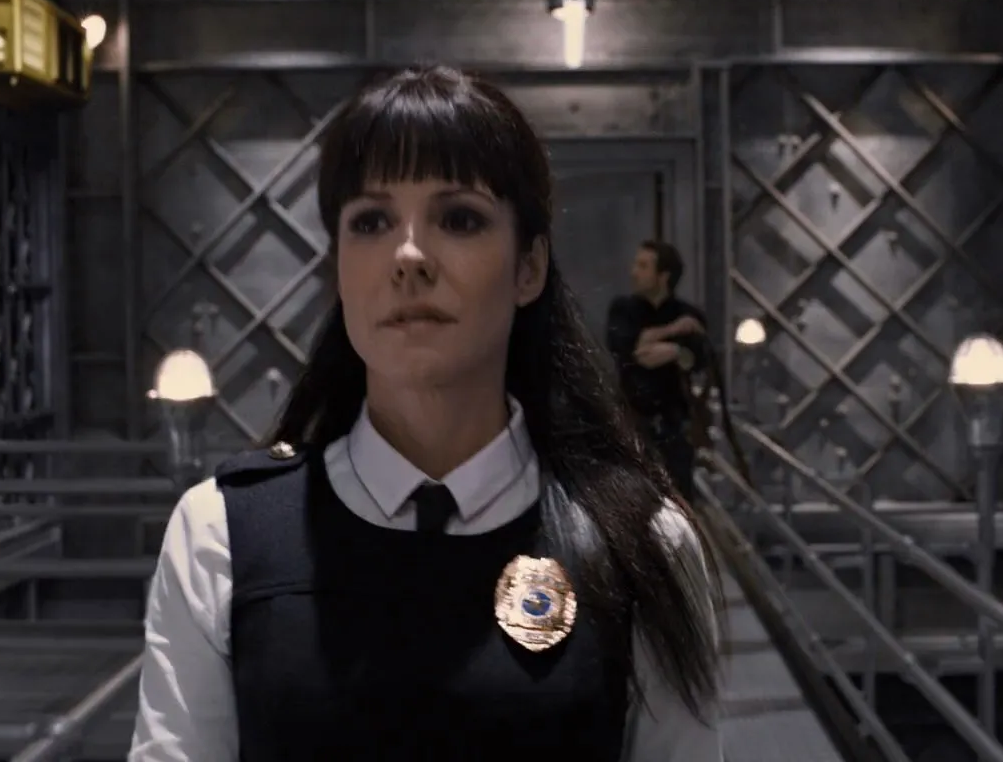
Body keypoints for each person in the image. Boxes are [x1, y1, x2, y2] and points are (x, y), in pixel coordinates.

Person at [131, 67, 724, 761]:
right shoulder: (223, 537)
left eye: (459, 219)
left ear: (529, 267)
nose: (408, 256)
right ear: (339, 265)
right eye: (371, 222)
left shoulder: (643, 545)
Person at [606, 240, 711, 496]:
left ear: (663, 276)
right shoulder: (623, 310)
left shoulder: (689, 314)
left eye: (643, 266)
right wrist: (673, 334)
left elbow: (696, 359)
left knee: (678, 497)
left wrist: (674, 351)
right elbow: (632, 350)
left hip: (675, 427)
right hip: (632, 424)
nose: (634, 272)